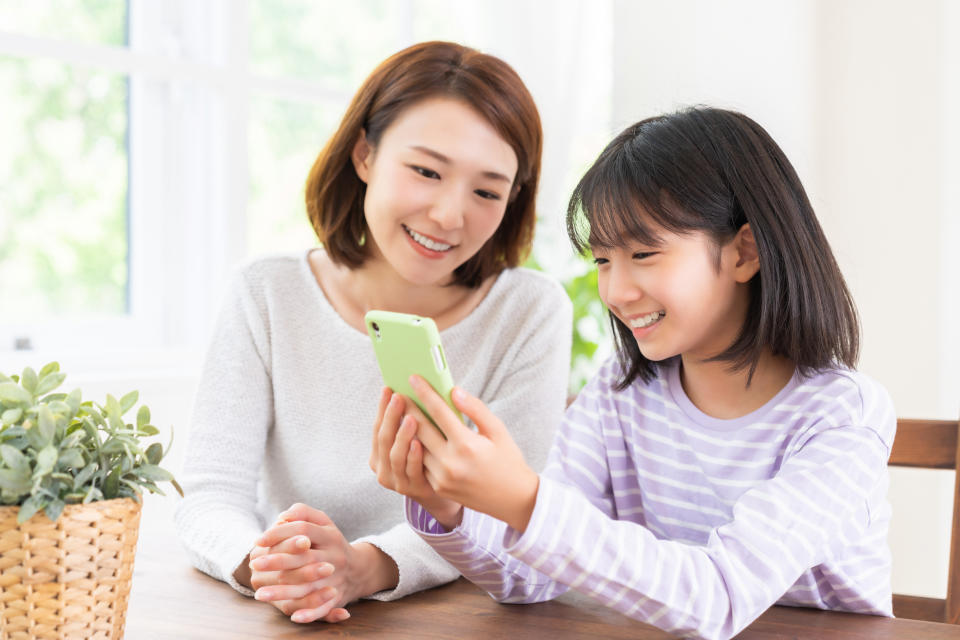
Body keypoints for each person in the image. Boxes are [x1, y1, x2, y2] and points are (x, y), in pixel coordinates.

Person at [372, 106, 896, 640]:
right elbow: (529, 575)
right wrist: (450, 508)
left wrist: (524, 501)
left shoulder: (841, 417)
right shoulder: (621, 390)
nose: (616, 291)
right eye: (602, 260)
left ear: (745, 252)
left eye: (644, 253)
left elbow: (718, 597)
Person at [174, 41, 572, 625]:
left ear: (513, 199)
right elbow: (209, 494)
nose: (448, 215)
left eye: (486, 191)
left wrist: (366, 567)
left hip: (450, 621)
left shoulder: (529, 312)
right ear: (365, 155)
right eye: (426, 171)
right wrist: (271, 565)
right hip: (284, 611)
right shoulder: (267, 293)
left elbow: (504, 516)